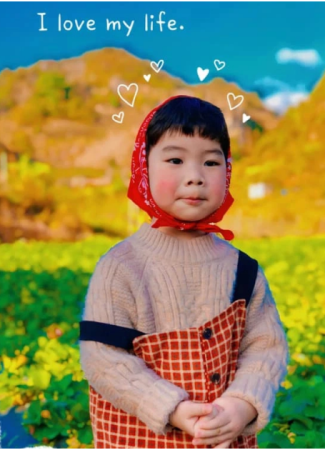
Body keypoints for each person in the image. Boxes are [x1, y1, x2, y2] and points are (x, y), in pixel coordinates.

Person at [79, 95, 289, 448]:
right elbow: (102, 359)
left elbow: (266, 347)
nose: (195, 177)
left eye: (211, 162)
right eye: (175, 159)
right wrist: (172, 408)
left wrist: (240, 406)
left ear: (228, 170)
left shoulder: (243, 269)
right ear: (143, 168)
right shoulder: (121, 267)